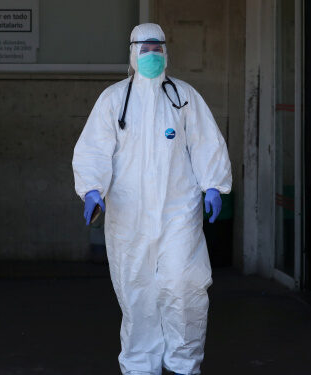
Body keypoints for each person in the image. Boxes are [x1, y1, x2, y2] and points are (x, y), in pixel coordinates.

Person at [72, 23, 232, 374]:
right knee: (137, 293)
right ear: (132, 52)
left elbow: (206, 142)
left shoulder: (184, 96)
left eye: (157, 48)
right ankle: (141, 366)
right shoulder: (114, 99)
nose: (152, 55)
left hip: (178, 211)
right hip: (128, 216)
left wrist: (213, 185)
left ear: (166, 52)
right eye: (144, 49)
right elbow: (94, 150)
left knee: (183, 286)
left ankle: (184, 365)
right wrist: (92, 188)